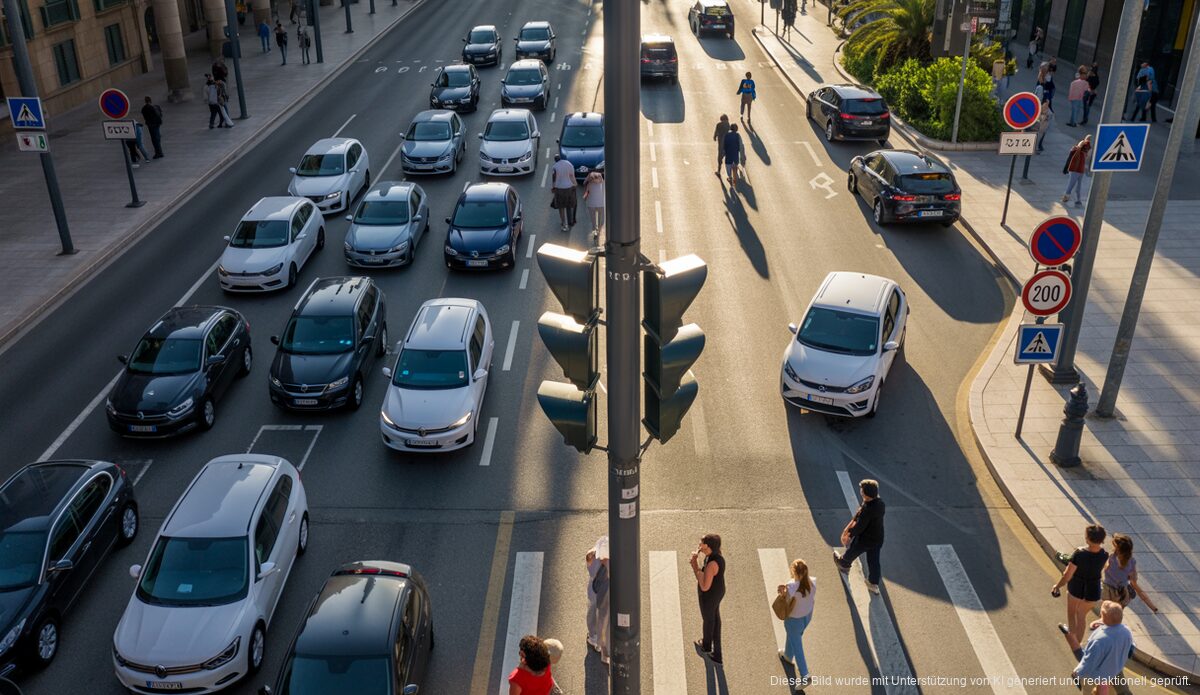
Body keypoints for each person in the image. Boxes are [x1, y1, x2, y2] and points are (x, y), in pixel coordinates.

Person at [1053, 524, 1109, 652]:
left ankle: (1072, 637)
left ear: (1088, 538)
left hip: (1077, 588)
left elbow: (1068, 574)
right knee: (1082, 616)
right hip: (1093, 590)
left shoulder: (1079, 553)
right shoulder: (1104, 554)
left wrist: (1057, 586)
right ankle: (1077, 644)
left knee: (1071, 613)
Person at [834, 479, 885, 594]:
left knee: (853, 550)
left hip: (865, 539)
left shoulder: (867, 510)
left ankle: (844, 563)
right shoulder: (880, 504)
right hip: (878, 538)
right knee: (874, 561)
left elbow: (860, 526)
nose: (860, 492)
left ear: (866, 495)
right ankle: (873, 584)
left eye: (862, 491)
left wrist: (849, 534)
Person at [1072, 601, 1135, 695]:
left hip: (1097, 675)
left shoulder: (1099, 640)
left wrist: (1077, 673)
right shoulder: (1126, 631)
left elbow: (1089, 661)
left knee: (1088, 691)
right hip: (1115, 670)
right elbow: (1131, 648)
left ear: (1103, 617)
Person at [777, 558, 816, 687]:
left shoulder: (792, 587)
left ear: (795, 573)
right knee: (795, 638)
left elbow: (786, 602)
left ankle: (805, 675)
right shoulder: (813, 582)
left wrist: (782, 592)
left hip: (794, 620)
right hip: (807, 616)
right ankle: (788, 655)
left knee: (798, 647)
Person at [690, 533, 725, 665]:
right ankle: (714, 650)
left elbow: (704, 586)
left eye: (702, 542)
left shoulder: (712, 564)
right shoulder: (715, 555)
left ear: (708, 546)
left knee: (709, 620)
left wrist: (695, 567)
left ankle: (709, 648)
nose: (700, 543)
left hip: (710, 595)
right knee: (714, 619)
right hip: (718, 592)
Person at [1102, 534, 1158, 612]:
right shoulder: (1131, 562)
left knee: (1105, 611)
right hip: (1122, 594)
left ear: (1117, 548)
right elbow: (1134, 580)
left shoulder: (1111, 557)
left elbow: (1106, 569)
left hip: (1107, 591)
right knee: (1118, 611)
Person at [585, 537, 610, 665]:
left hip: (598, 594)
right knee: (596, 616)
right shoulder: (595, 557)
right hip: (599, 595)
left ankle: (596, 639)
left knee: (597, 616)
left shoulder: (593, 556)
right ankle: (595, 639)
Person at [1061, 135, 1091, 207]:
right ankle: (1067, 198)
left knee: (1077, 185)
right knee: (1072, 184)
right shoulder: (1078, 151)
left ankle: (1077, 200)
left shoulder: (1079, 151)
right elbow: (1086, 147)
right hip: (1075, 170)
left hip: (1079, 170)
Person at [550, 154, 577, 232]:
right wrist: (575, 184)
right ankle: (570, 221)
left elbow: (554, 179)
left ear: (555, 160)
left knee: (561, 207)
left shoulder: (555, 167)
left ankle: (564, 224)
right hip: (569, 188)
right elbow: (572, 175)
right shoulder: (569, 164)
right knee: (569, 206)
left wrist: (553, 187)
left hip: (560, 189)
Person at [583, 170, 605, 239]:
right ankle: (599, 231)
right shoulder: (602, 182)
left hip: (591, 204)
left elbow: (584, 184)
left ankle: (595, 231)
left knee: (593, 219)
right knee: (601, 219)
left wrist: (587, 179)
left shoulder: (589, 184)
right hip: (601, 203)